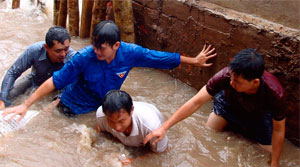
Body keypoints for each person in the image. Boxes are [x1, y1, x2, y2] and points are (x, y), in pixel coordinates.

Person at [2, 20, 216, 119]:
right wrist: (26, 105)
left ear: (116, 45)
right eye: (94, 46)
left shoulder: (131, 53)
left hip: (102, 108)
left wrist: (194, 61)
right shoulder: (84, 56)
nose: (96, 51)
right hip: (71, 104)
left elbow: (159, 58)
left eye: (101, 48)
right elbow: (55, 81)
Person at [144, 49, 286, 167]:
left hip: (258, 116)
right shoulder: (225, 76)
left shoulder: (275, 93)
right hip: (228, 106)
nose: (231, 83)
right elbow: (195, 102)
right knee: (209, 133)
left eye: (237, 82)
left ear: (255, 82)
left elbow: (279, 130)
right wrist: (164, 128)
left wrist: (274, 164)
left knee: (268, 152)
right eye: (231, 78)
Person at [0, 26, 76, 109]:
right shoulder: (34, 51)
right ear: (46, 47)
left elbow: (74, 85)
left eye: (66, 49)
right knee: (7, 95)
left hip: (60, 89)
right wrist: (2, 100)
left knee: (58, 111)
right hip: (34, 80)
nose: (63, 54)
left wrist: (57, 100)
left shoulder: (73, 58)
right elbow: (13, 72)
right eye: (58, 51)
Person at [96, 90, 168, 154]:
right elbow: (99, 134)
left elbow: (162, 152)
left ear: (131, 111)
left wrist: (134, 160)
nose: (117, 128)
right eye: (111, 121)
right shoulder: (101, 116)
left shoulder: (151, 127)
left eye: (121, 121)